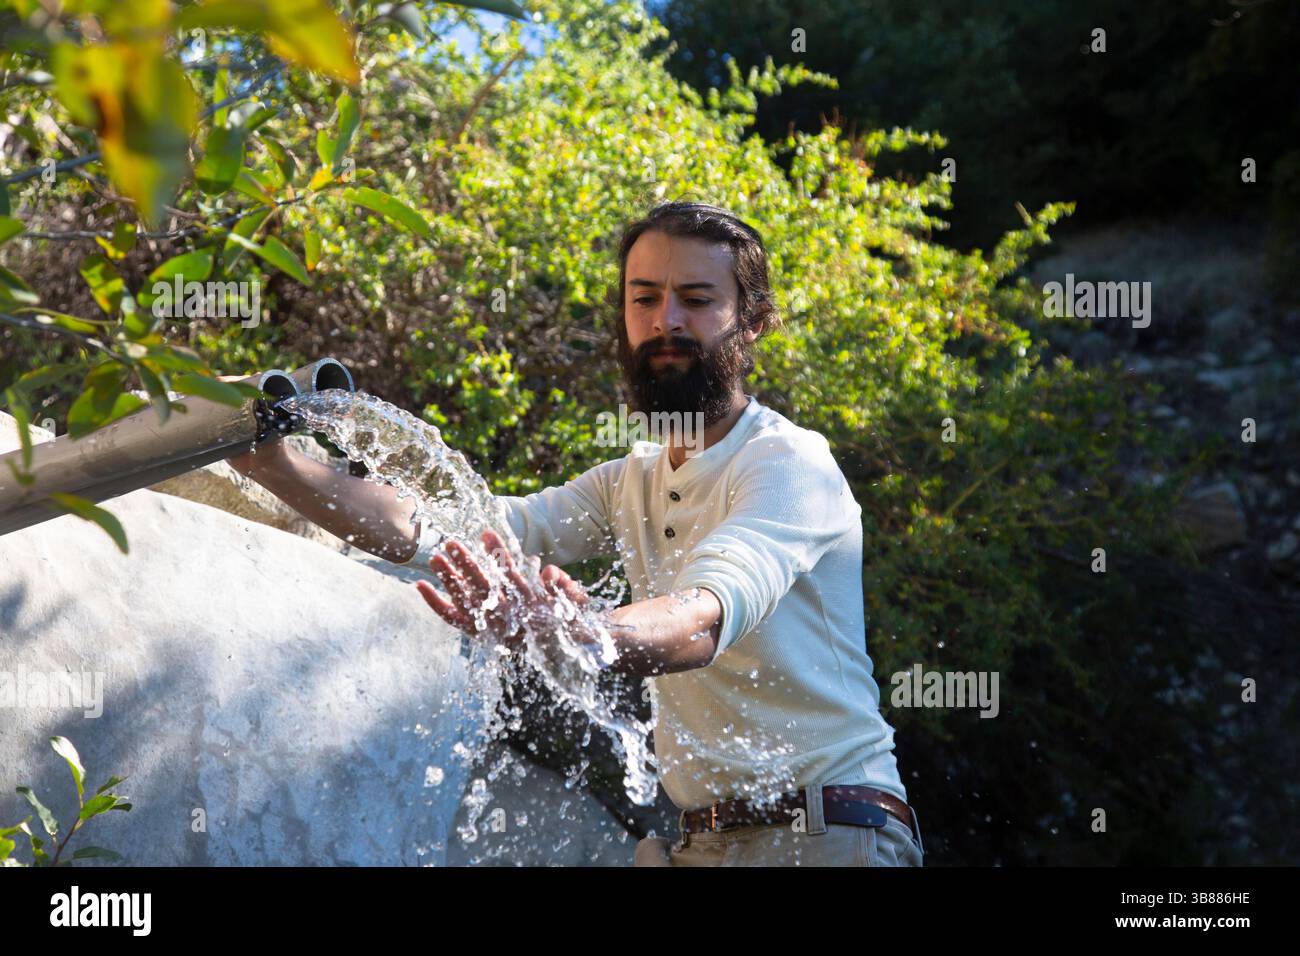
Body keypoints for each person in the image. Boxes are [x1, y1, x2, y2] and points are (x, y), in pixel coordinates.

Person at [227, 201, 923, 867]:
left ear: (754, 322)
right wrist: (276, 465)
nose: (665, 321)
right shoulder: (629, 480)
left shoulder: (788, 464)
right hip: (700, 842)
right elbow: (451, 530)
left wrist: (573, 627)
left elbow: (699, 620)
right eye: (644, 298)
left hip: (829, 832)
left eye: (697, 300)